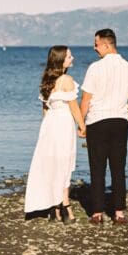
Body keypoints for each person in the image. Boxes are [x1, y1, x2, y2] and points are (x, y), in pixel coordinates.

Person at [80, 28, 128, 225]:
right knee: (118, 167)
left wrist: (81, 124)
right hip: (119, 121)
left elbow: (86, 99)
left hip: (97, 121)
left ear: (107, 45)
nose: (94, 48)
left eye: (96, 44)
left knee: (97, 168)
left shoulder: (95, 68)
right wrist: (126, 119)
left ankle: (97, 213)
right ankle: (119, 212)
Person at [24, 45, 86, 223]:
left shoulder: (46, 80)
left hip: (49, 124)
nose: (72, 58)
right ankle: (65, 207)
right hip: (63, 123)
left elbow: (45, 109)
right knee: (64, 165)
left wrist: (46, 128)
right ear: (60, 60)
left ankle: (54, 208)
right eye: (69, 56)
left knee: (52, 165)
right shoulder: (66, 80)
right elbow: (74, 107)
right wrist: (83, 126)